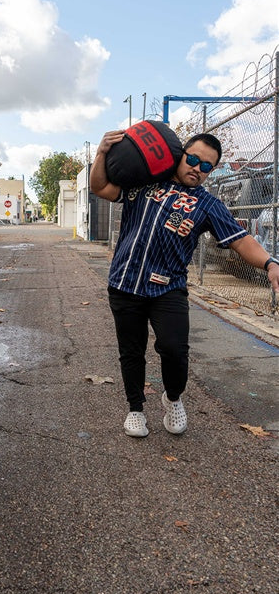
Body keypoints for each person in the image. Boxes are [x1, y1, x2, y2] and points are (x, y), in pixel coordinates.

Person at [90, 130, 279, 438]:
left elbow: (241, 240)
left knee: (175, 350)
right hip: (125, 282)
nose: (197, 168)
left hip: (168, 289)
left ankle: (173, 398)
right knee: (131, 351)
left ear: (211, 171)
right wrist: (101, 153)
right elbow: (100, 187)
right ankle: (135, 409)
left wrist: (270, 263)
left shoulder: (208, 205)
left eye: (206, 166)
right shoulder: (144, 182)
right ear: (180, 155)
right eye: (193, 159)